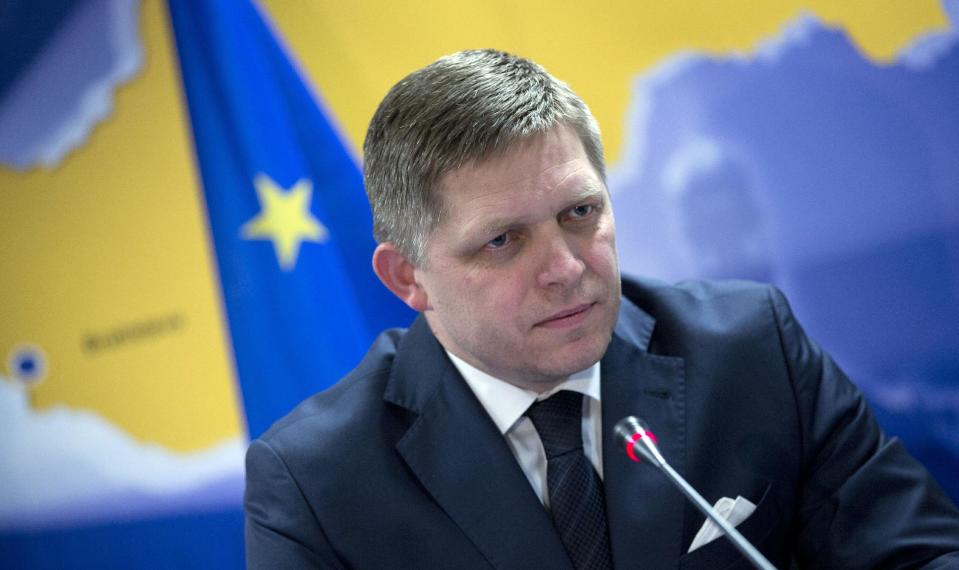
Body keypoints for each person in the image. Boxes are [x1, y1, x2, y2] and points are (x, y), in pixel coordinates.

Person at [244, 49, 959, 569]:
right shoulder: (315, 480)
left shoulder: (750, 348)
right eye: (502, 241)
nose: (564, 268)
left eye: (580, 212)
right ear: (408, 278)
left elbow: (919, 554)